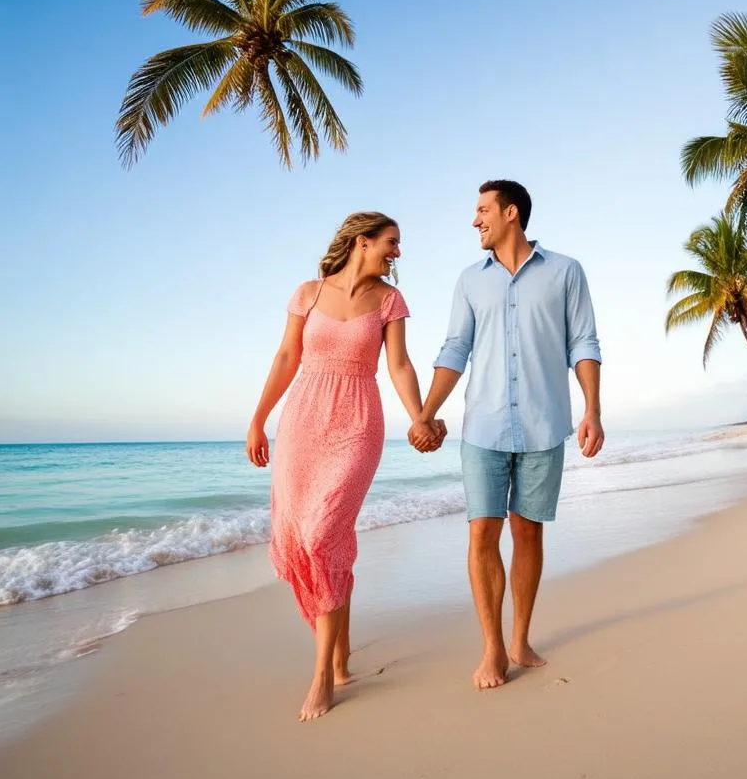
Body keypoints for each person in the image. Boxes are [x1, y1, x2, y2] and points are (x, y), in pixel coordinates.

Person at [246, 212, 444, 721]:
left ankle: (322, 678)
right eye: (392, 242)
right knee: (303, 540)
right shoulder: (308, 293)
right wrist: (258, 420)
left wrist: (420, 416)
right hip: (303, 423)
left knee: (323, 534)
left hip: (357, 422)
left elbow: (399, 365)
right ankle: (340, 654)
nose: (397, 253)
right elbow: (287, 355)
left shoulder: (389, 301)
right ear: (363, 242)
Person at [409, 181, 603, 690]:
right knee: (481, 533)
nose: (475, 221)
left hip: (546, 424)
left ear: (510, 213)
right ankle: (492, 648)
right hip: (484, 425)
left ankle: (520, 639)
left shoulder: (566, 272)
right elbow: (456, 348)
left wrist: (592, 410)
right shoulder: (470, 281)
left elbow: (583, 340)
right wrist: (425, 413)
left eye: (482, 210)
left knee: (528, 531)